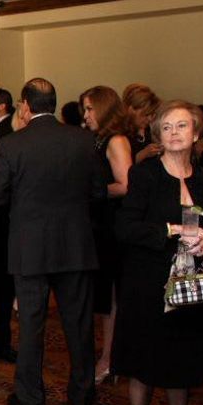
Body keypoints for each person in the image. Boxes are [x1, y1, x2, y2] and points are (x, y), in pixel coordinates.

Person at [112, 100, 203, 405]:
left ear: (196, 134)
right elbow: (125, 227)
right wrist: (170, 230)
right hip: (148, 285)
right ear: (158, 136)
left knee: (184, 361)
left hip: (190, 287)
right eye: (167, 127)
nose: (175, 133)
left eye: (182, 126)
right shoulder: (145, 175)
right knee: (144, 362)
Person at [0, 77, 104, 405]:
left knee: (32, 327)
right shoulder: (83, 140)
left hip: (30, 248)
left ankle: (31, 399)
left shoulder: (12, 145)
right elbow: (98, 192)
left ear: (25, 105)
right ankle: (82, 398)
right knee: (79, 325)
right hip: (75, 246)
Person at [80, 86, 134, 385]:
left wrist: (90, 191)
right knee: (102, 296)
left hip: (111, 227)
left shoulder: (116, 140)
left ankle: (109, 359)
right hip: (97, 225)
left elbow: (126, 184)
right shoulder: (97, 139)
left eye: (90, 108)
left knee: (111, 296)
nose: (86, 115)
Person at [122, 84, 162, 163]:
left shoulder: (148, 129)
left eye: (152, 114)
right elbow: (123, 166)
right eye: (145, 115)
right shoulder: (120, 135)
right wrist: (143, 154)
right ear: (131, 110)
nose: (150, 119)